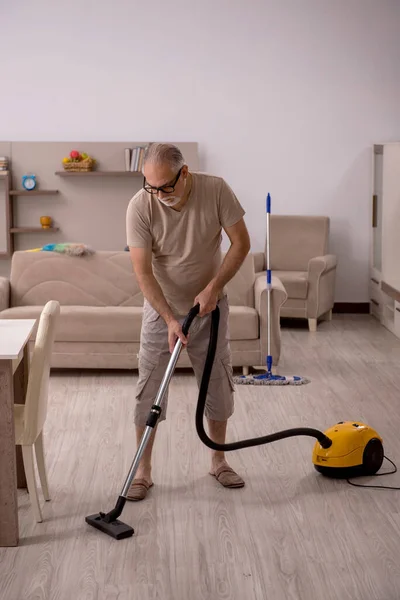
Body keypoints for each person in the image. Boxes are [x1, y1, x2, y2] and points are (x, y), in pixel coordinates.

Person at [125, 143, 250, 500]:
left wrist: (214, 288)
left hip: (210, 307)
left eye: (166, 186)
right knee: (149, 387)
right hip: (161, 306)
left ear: (185, 173)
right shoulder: (140, 205)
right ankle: (143, 471)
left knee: (217, 383)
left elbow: (240, 243)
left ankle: (219, 460)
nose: (158, 194)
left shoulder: (216, 189)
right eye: (151, 186)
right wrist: (167, 317)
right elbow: (142, 272)